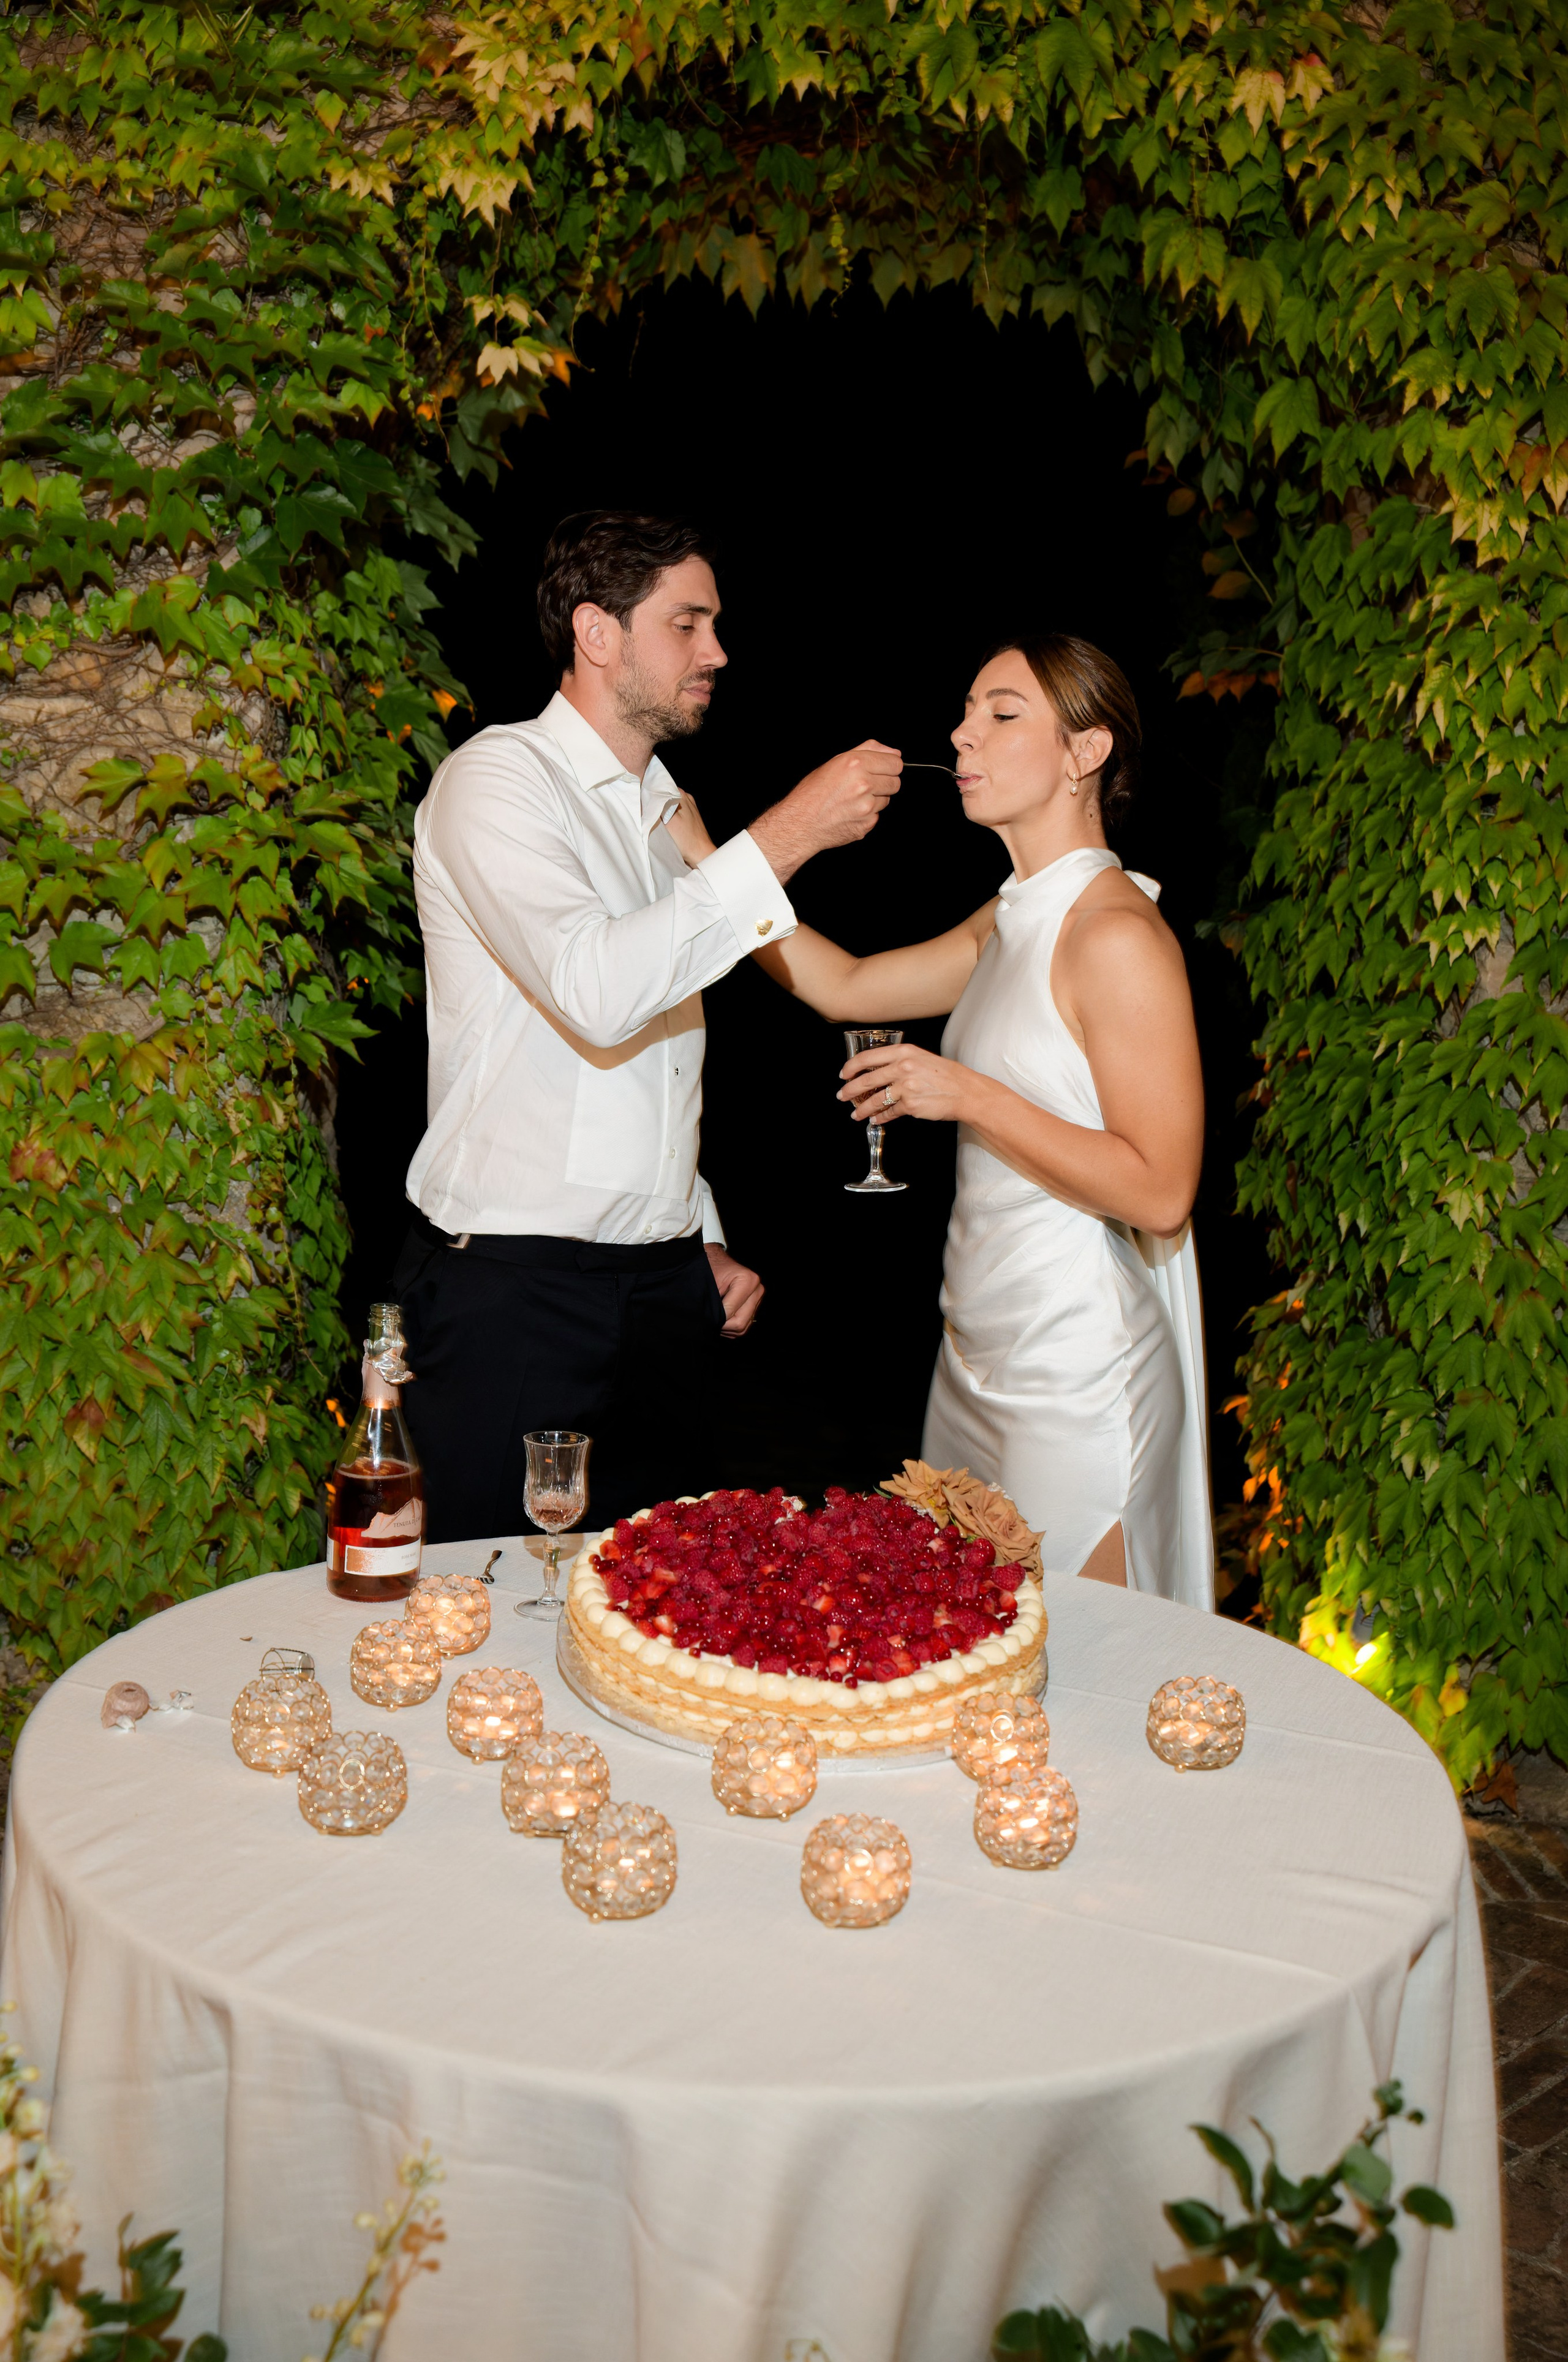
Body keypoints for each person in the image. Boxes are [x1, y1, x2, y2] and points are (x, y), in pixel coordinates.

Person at [393, 510, 902, 1541]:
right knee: (476, 1608)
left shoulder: (664, 811)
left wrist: (693, 1235)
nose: (717, 653)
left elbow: (653, 1065)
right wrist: (792, 830)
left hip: (663, 1290)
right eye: (689, 624)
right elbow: (596, 991)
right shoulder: (496, 781)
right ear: (598, 632)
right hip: (513, 1288)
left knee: (651, 1605)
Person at [748, 635, 1215, 1606]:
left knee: (1080, 1683)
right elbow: (846, 985)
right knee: (961, 1665)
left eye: (1004, 714)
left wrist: (967, 1096)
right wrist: (725, 866)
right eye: (967, 710)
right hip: (974, 1359)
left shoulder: (1116, 934)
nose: (963, 732)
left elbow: (1163, 1191)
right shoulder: (1010, 918)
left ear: (1086, 755)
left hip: (1076, 1380)